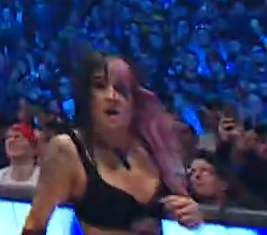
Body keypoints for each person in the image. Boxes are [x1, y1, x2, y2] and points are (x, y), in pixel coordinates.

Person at [23, 52, 204, 235]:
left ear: (134, 98)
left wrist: (191, 213)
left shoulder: (154, 144)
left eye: (121, 88)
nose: (112, 96)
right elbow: (34, 225)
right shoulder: (67, 150)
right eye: (100, 86)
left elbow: (182, 207)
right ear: (86, 96)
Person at [0, 123, 42, 188]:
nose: (10, 141)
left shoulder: (45, 178)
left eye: (17, 137)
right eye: (8, 137)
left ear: (33, 146)